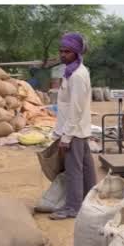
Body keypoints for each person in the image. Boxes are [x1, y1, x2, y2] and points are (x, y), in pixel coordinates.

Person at [49, 32, 96, 220]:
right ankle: (89, 201)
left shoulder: (77, 75)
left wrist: (66, 136)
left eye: (67, 52)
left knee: (73, 171)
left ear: (76, 53)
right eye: (61, 51)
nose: (62, 55)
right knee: (86, 168)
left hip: (74, 131)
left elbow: (75, 108)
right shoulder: (71, 72)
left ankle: (73, 207)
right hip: (78, 129)